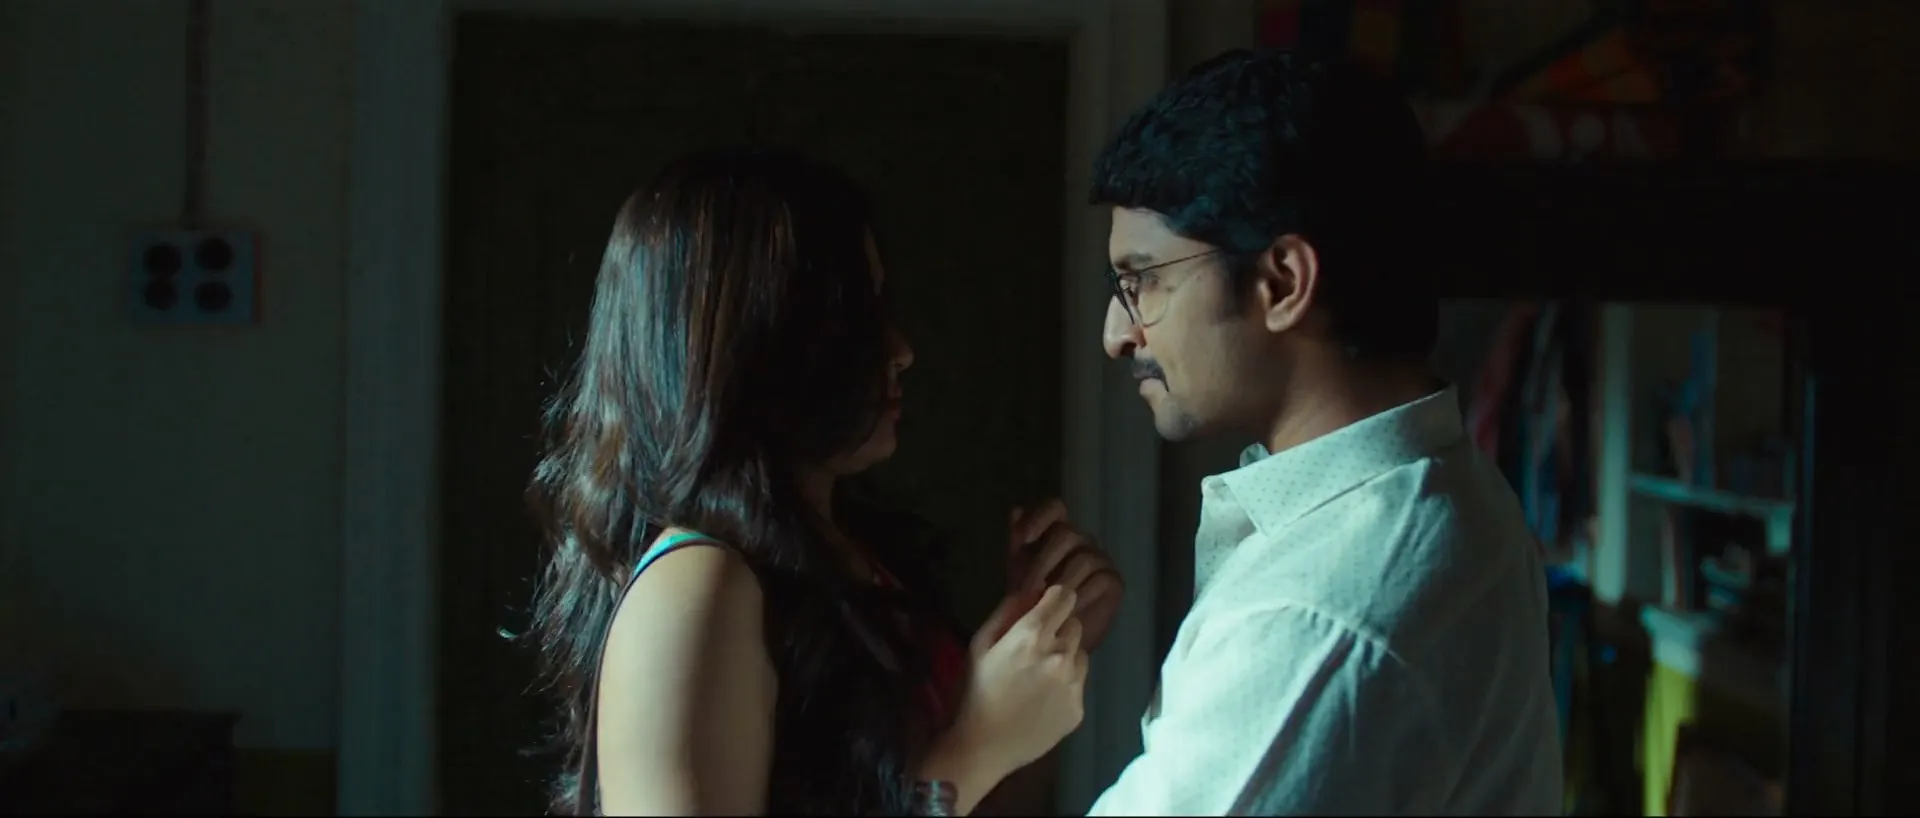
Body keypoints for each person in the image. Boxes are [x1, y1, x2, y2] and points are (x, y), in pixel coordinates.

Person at [523, 148, 1125, 816]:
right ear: (752, 342)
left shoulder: (849, 559)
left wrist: (1036, 648)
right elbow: (952, 780)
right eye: (858, 317)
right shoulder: (693, 587)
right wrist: (978, 742)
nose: (900, 350)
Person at [1081, 49, 1563, 814]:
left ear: (1283, 282)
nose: (1117, 333)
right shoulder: (1446, 487)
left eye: (1144, 281)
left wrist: (983, 742)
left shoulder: (1317, 613)